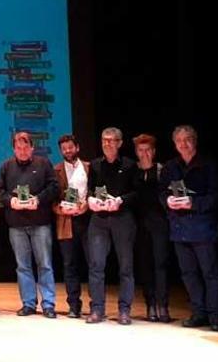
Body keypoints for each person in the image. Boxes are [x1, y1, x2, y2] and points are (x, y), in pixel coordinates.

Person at [160, 125, 218, 331]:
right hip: (179, 228)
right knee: (188, 274)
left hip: (203, 228)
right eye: (179, 141)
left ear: (194, 140)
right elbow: (161, 192)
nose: (183, 144)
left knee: (210, 273)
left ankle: (215, 315)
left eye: (187, 139)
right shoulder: (171, 166)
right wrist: (168, 200)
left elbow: (216, 197)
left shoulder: (208, 164)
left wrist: (193, 203)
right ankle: (199, 313)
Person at [0, 131, 59, 318]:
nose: (22, 151)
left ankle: (48, 304)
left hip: (40, 223)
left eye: (26, 147)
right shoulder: (6, 166)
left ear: (32, 147)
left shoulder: (43, 164)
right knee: (22, 266)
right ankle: (28, 304)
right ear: (14, 149)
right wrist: (11, 201)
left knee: (45, 264)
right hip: (16, 224)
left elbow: (54, 187)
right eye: (19, 148)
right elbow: (0, 191)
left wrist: (38, 200)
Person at [86, 127, 137, 325]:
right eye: (104, 140)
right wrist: (90, 199)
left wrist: (120, 200)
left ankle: (124, 311)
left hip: (122, 219)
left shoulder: (130, 165)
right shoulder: (96, 164)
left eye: (111, 140)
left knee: (125, 267)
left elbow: (136, 193)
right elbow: (91, 188)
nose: (107, 144)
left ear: (120, 143)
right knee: (96, 265)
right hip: (99, 220)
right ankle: (97, 309)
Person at [132, 133, 171, 323]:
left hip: (159, 224)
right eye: (140, 150)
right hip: (139, 225)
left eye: (147, 150)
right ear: (136, 152)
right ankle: (150, 305)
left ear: (154, 151)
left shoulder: (162, 170)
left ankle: (163, 305)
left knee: (161, 264)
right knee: (145, 266)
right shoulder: (133, 170)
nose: (144, 153)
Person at [51, 134, 91, 318]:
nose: (67, 151)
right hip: (65, 223)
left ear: (77, 147)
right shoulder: (56, 170)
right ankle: (74, 306)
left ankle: (96, 305)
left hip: (88, 222)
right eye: (64, 148)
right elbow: (51, 200)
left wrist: (86, 206)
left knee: (94, 264)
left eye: (70, 147)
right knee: (69, 265)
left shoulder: (90, 168)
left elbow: (96, 191)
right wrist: (61, 209)